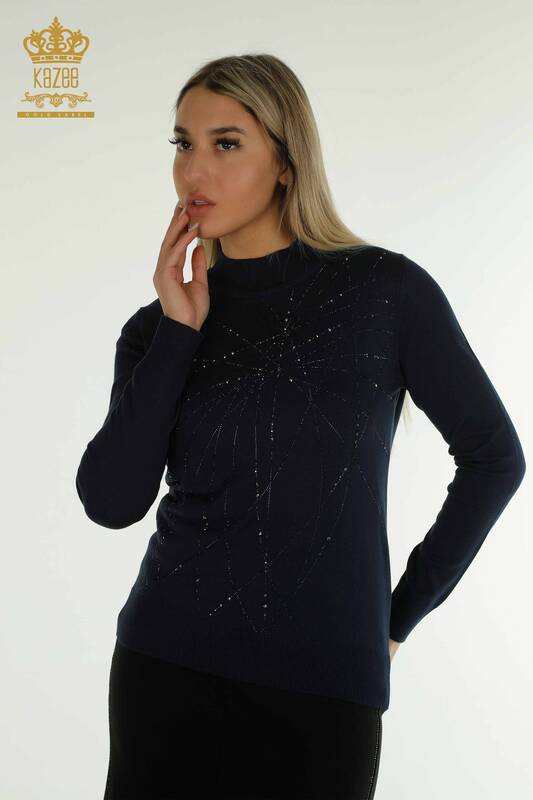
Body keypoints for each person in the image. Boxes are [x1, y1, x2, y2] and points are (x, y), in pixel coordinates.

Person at [75, 54, 525, 799]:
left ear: (286, 164)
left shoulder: (385, 292)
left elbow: (494, 459)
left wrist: (397, 618)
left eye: (226, 143)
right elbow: (111, 502)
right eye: (182, 144)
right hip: (165, 671)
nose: (194, 170)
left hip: (325, 691)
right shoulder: (156, 330)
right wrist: (179, 332)